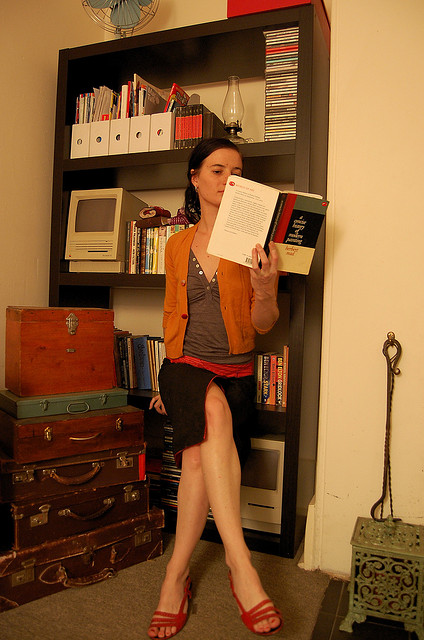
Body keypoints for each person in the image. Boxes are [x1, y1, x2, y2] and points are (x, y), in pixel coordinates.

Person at [148, 137, 283, 638]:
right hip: (185, 367)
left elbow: (264, 323)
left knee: (197, 459)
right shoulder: (176, 244)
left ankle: (175, 575)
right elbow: (171, 313)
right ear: (195, 178)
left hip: (236, 373)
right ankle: (240, 565)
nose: (229, 179)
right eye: (218, 170)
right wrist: (171, 386)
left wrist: (265, 288)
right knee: (213, 414)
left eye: (238, 172)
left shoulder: (256, 246)